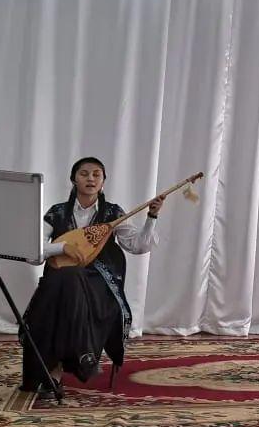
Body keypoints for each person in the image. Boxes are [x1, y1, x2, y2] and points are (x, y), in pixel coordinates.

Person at [19, 157, 164, 393]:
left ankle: (55, 370)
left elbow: (137, 246)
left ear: (103, 182)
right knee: (68, 279)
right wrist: (62, 247)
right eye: (84, 173)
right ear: (73, 179)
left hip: (100, 284)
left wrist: (151, 217)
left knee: (66, 284)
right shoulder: (57, 213)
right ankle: (80, 357)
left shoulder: (112, 213)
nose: (91, 178)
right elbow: (32, 252)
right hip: (61, 281)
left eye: (97, 174)